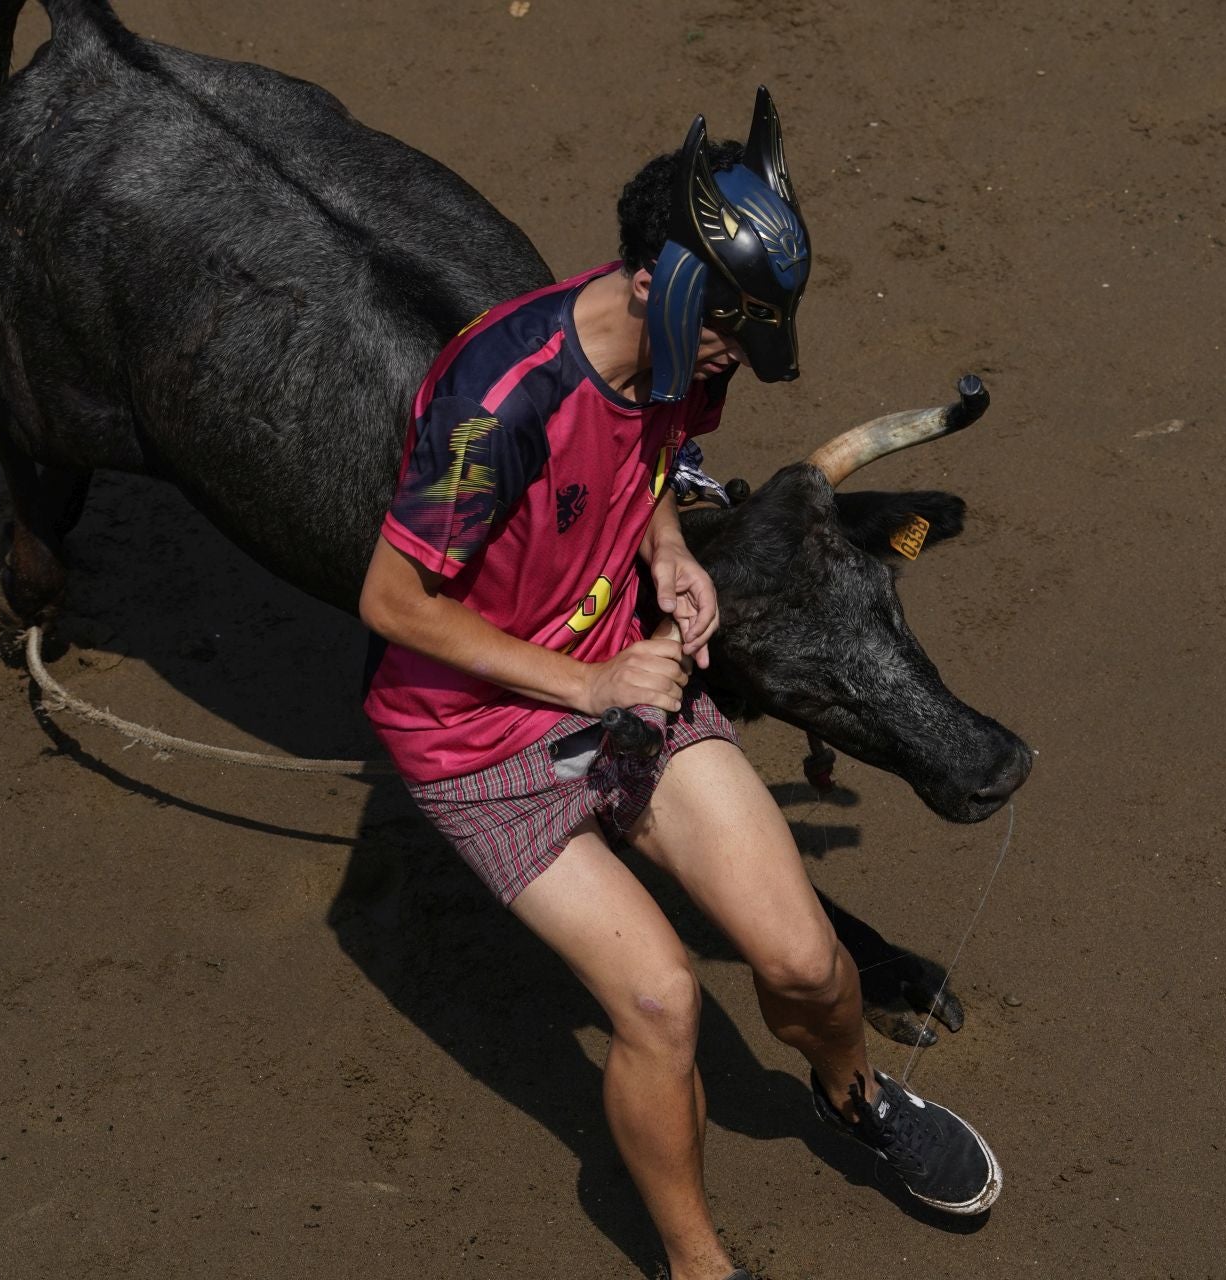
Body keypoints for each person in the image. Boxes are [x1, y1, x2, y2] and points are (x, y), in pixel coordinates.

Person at [357, 88, 1001, 1280]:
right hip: (481, 743)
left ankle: (855, 1093)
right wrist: (592, 680)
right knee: (659, 1000)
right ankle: (698, 1263)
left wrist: (661, 548)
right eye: (729, 335)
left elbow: (654, 451)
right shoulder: (497, 400)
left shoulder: (686, 356)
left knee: (805, 959)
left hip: (624, 679)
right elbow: (392, 604)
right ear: (657, 278)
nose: (735, 364)